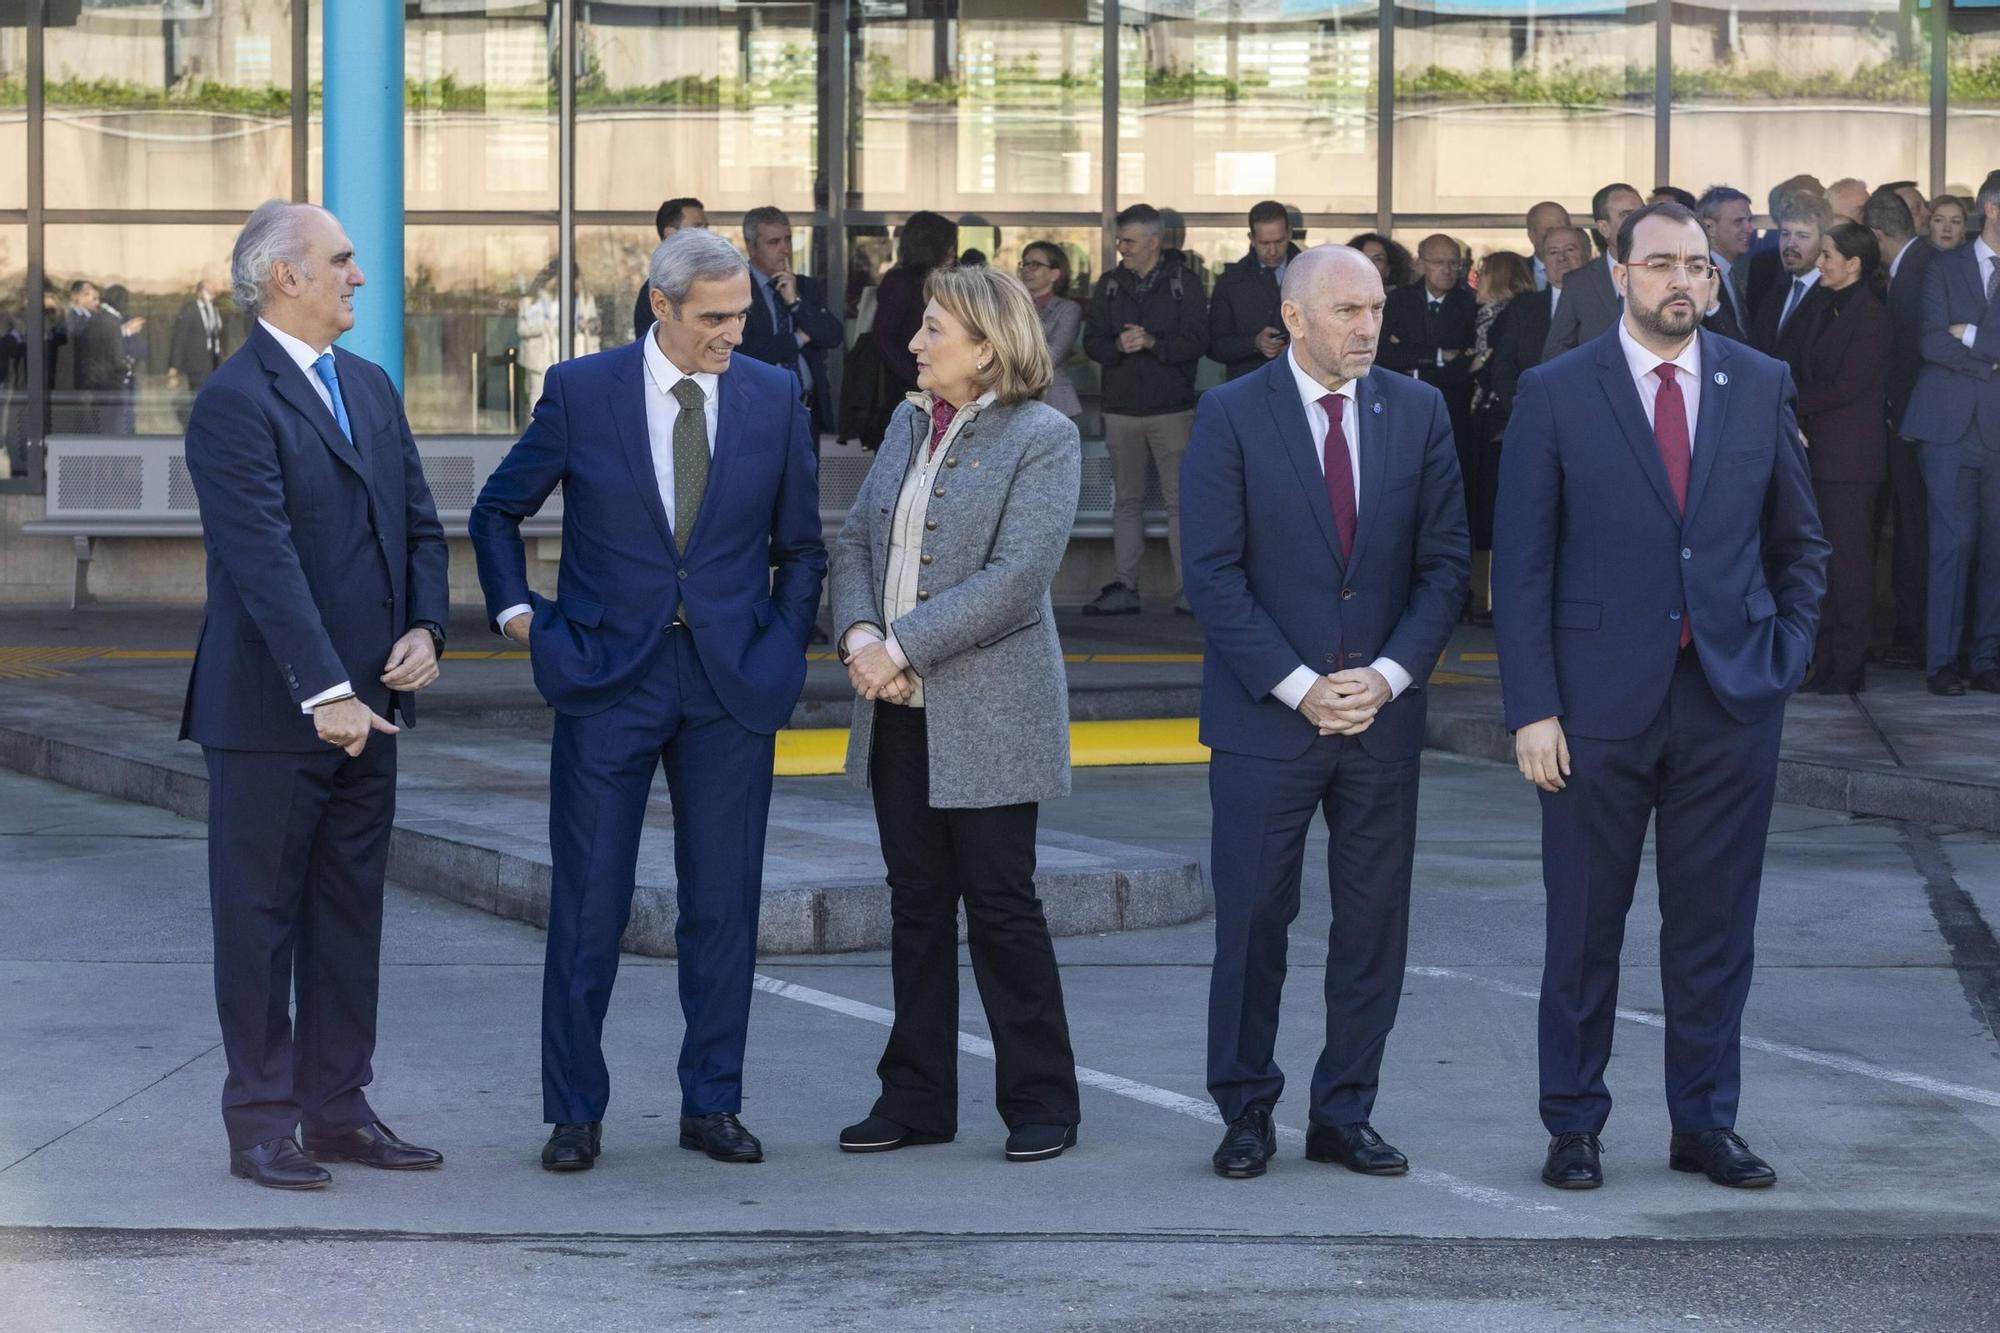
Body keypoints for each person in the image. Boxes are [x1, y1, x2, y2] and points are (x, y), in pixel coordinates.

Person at [469, 228, 826, 1171]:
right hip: (605, 678)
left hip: (729, 682)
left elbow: (803, 547)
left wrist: (782, 647)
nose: (733, 333)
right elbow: (497, 509)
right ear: (660, 306)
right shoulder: (582, 391)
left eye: (741, 314)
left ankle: (713, 1104)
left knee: (724, 904)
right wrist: (521, 617)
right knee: (589, 903)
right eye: (714, 318)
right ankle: (574, 1114)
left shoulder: (772, 394)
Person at [1494, 201, 1828, 1193]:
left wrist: (1784, 652)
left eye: (1697, 264)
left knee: (1713, 931)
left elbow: (1799, 541)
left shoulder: (1758, 381)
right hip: (1592, 711)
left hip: (1729, 701)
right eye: (1660, 264)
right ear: (1619, 274)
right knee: (1582, 929)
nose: (1681, 280)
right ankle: (1572, 1125)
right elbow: (1522, 564)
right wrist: (1531, 707)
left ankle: (1705, 1125)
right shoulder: (1556, 390)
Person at [1181, 244, 1469, 1182]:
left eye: (1377, 308)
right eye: (1348, 310)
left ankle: (1346, 1111)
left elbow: (1444, 566)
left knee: (1374, 924)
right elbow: (1211, 574)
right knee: (1254, 919)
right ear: (1295, 318)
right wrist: (1301, 685)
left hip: (1380, 719)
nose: (1369, 326)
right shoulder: (1231, 413)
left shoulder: (1419, 411)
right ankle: (1245, 1110)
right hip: (1267, 720)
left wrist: (1386, 677)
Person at [180, 200, 451, 1190]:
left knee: (347, 918)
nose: (358, 276)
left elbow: (418, 522)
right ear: (284, 276)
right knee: (259, 924)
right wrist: (325, 688)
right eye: (340, 260)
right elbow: (263, 560)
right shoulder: (233, 401)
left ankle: (337, 1110)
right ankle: (260, 1122)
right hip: (270, 714)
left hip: (372, 709)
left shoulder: (367, 386)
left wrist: (426, 629)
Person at [828, 264, 1085, 1164]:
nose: (914, 342)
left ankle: (1042, 1100)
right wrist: (861, 633)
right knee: (917, 906)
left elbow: (1017, 579)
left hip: (994, 713)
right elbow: (856, 540)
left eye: (933, 328)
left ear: (985, 346)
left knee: (1003, 907)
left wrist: (898, 647)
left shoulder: (1044, 436)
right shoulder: (907, 421)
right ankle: (916, 1099)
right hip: (897, 710)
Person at [1081, 203, 1209, 616]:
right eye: (1120, 240)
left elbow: (1198, 340)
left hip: (1171, 410)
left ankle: (1190, 590)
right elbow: (1092, 341)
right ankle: (1124, 585)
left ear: (1154, 242)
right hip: (1121, 409)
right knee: (1127, 501)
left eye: (1129, 241)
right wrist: (1118, 346)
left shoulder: (1184, 283)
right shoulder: (1110, 284)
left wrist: (1153, 343)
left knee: (1181, 502)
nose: (1122, 248)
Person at [1900, 178, 2000, 696]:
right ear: (1992, 209)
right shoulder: (1943, 265)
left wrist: (1973, 334)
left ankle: (1986, 660)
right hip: (1946, 427)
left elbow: (1954, 339)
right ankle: (1941, 662)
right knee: (1950, 544)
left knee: (1996, 549)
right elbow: (1930, 342)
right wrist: (1990, 364)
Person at [1796, 221, 1892, 695]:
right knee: (1823, 564)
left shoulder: (1870, 315)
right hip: (1818, 455)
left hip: (1851, 462)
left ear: (1853, 264)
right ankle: (1825, 659)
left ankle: (1849, 664)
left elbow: (1848, 384)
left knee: (1849, 564)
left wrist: (1790, 405)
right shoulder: (1822, 302)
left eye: (1828, 255)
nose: (1819, 262)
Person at [1872, 185, 1938, 667]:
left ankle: (1917, 631)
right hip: (1917, 423)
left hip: (1918, 427)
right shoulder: (1916, 266)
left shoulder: (1916, 272)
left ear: (1876, 235)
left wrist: (1901, 416)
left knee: (1917, 527)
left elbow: (1915, 356)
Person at [1379, 234, 1478, 549]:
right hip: (1399, 412)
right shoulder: (1396, 301)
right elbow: (1383, 355)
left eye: (1454, 263)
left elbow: (1467, 365)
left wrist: (1412, 358)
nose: (1447, 270)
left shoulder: (1471, 304)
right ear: (1420, 264)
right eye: (1438, 262)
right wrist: (1439, 356)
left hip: (1453, 412)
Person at [1467, 250, 1536, 617]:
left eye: (1483, 272)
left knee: (1496, 510)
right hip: (1490, 420)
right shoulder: (1493, 313)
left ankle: (1490, 600)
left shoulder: (1506, 315)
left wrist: (1473, 362)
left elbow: (1492, 366)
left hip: (1499, 423)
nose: (1476, 279)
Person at [739, 205, 844, 442]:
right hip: (757, 410)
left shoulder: (805, 286)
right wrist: (799, 337)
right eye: (774, 242)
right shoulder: (737, 288)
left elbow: (833, 335)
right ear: (751, 246)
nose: (785, 249)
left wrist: (795, 303)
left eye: (788, 239)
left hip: (806, 409)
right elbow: (748, 351)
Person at [868, 211, 960, 442]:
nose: (953, 251)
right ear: (931, 245)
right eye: (948, 244)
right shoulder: (901, 282)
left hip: (942, 388)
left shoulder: (949, 281)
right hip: (907, 389)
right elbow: (883, 338)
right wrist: (917, 378)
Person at [1486, 225, 1588, 426]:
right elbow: (1502, 367)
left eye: (1570, 249)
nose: (1561, 258)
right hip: (1533, 418)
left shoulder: (1607, 305)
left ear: (1587, 255)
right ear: (1544, 261)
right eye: (1553, 252)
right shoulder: (1522, 308)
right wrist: (1523, 408)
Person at [1544, 182, 1644, 359]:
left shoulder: (1668, 273)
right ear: (1604, 228)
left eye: (1642, 214)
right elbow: (1556, 351)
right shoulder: (1579, 283)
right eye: (1627, 216)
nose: (1639, 222)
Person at [1209, 200, 1300, 381]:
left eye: (1279, 241)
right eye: (1264, 243)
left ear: (1289, 234)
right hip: (1249, 384)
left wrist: (1297, 348)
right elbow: (1213, 345)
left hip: (1302, 383)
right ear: (1251, 239)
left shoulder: (1315, 273)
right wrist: (1254, 343)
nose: (1272, 251)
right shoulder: (1230, 281)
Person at [1749, 191, 1831, 378]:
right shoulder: (1772, 296)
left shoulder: (1833, 298)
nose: (1790, 244)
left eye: (1802, 235)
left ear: (1823, 241)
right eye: (1785, 234)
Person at [1017, 241, 1083, 418]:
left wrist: (1010, 359)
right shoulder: (1011, 307)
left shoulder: (1068, 309)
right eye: (1025, 264)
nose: (1027, 270)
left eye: (1035, 265)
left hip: (1053, 400)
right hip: (1012, 400)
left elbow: (1052, 355)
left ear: (1054, 274)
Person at [631, 197, 707, 342]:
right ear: (670, 234)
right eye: (697, 227)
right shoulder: (657, 289)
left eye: (706, 226)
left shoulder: (708, 280)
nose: (706, 233)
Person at [167, 273, 227, 428]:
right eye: (214, 283)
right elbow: (179, 339)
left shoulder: (215, 308)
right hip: (197, 363)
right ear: (204, 287)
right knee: (199, 397)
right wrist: (174, 368)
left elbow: (219, 334)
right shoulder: (191, 310)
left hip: (215, 362)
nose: (219, 286)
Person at [1696, 186, 1756, 338]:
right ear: (1709, 228)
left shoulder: (1732, 271)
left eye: (1749, 221)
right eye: (1738, 222)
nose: (1749, 228)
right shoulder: (1699, 274)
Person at [1525, 201, 1572, 291]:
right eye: (1550, 231)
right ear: (1532, 236)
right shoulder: (1513, 274)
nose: (1557, 236)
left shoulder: (1589, 273)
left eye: (1563, 230)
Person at [1347, 233, 1412, 290]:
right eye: (1362, 257)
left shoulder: (1399, 299)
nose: (1370, 263)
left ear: (1388, 269)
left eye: (1378, 259)